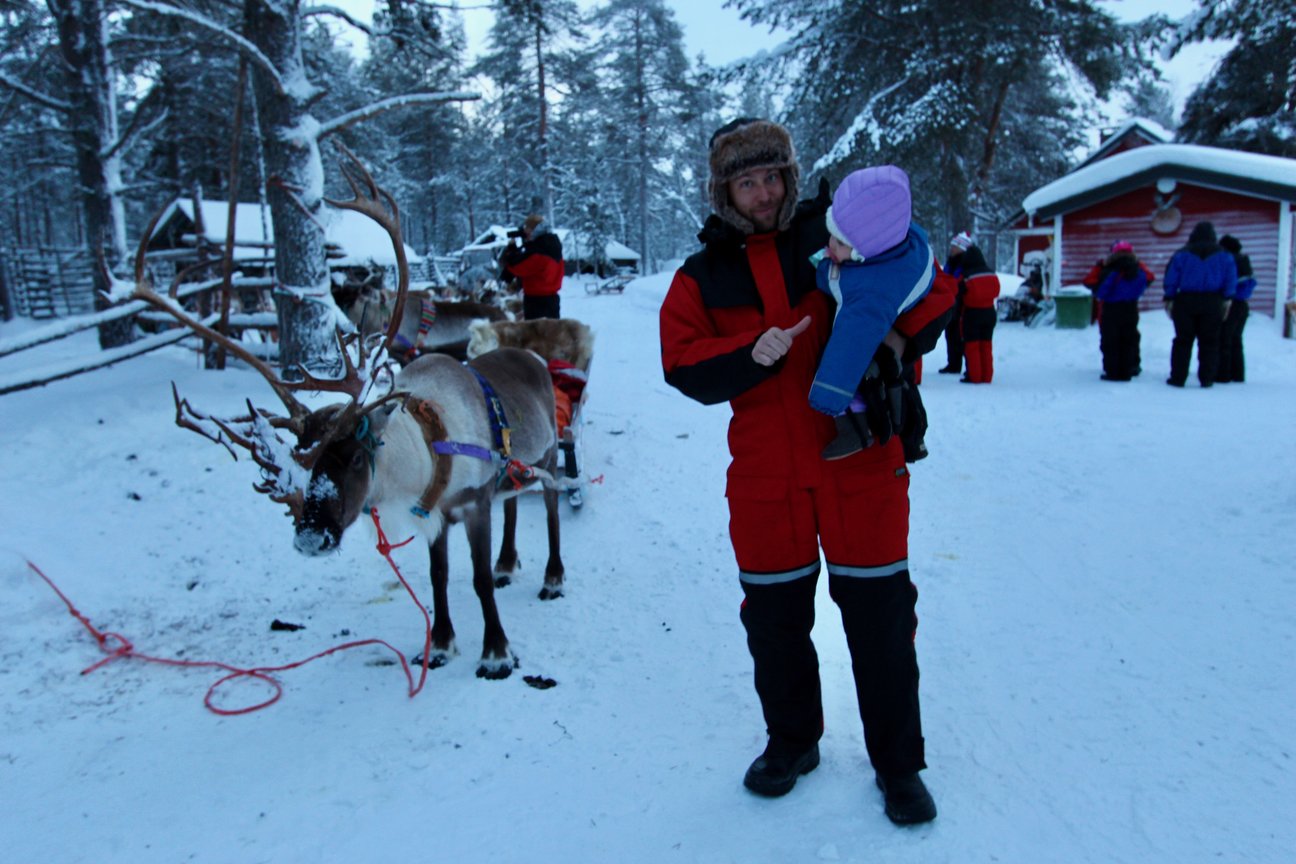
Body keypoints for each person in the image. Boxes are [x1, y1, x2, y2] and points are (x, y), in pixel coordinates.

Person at [658, 117, 953, 825]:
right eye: (746, 180)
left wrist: (894, 334)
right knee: (774, 620)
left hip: (860, 461)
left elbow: (933, 288)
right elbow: (679, 362)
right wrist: (746, 355)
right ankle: (793, 741)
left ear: (792, 176)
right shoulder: (703, 274)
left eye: (773, 177)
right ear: (724, 189)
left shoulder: (844, 232)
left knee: (882, 620)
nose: (763, 193)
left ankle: (898, 764)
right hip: (766, 478)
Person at [808, 165, 935, 460]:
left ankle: (854, 427)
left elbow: (848, 349)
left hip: (871, 347)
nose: (829, 246)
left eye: (839, 243)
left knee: (845, 363)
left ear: (866, 252)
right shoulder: (904, 242)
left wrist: (827, 395)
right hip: (893, 316)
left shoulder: (868, 294)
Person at [1163, 221, 1237, 388]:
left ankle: (1178, 377)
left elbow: (1171, 278)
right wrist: (1227, 298)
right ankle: (1207, 378)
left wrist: (1169, 297)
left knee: (1182, 340)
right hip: (1213, 301)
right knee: (1210, 342)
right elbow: (1230, 280)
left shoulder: (1181, 254)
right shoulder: (1225, 255)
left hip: (1186, 301)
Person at [1094, 240, 1154, 381]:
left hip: (1111, 308)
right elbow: (1144, 284)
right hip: (1131, 308)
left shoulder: (1111, 270)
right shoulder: (1138, 270)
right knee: (1128, 340)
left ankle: (1112, 372)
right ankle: (1127, 371)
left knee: (1111, 341)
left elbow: (1102, 291)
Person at [500, 213, 564, 320]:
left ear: (535, 230)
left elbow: (517, 267)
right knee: (552, 334)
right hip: (552, 299)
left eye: (528, 229)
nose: (525, 232)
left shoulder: (539, 252)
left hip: (537, 302)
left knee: (537, 335)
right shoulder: (551, 245)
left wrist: (511, 250)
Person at [955, 241, 1000, 383]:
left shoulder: (966, 275)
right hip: (990, 312)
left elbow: (959, 294)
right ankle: (987, 376)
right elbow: (997, 290)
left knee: (972, 346)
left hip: (972, 314)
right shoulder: (991, 273)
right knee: (986, 345)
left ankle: (974, 376)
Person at [1216, 234, 1256, 383]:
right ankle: (1238, 374)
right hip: (1242, 305)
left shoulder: (1228, 260)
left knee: (1224, 339)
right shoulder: (1244, 260)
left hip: (1229, 303)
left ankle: (1223, 374)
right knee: (1237, 340)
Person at [937, 232, 970, 373]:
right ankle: (953, 363)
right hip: (950, 301)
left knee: (958, 335)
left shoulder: (964, 262)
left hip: (960, 303)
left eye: (954, 246)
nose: (952, 249)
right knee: (950, 333)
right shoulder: (951, 262)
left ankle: (958, 364)